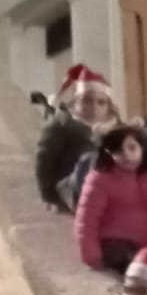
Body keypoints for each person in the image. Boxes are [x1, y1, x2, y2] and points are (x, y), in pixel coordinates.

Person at [74, 125, 147, 273]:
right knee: (139, 269)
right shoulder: (101, 180)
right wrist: (92, 255)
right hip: (115, 245)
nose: (127, 156)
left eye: (132, 148)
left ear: (142, 147)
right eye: (118, 151)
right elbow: (87, 220)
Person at [37, 64, 122, 211]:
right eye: (87, 101)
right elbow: (45, 162)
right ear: (76, 101)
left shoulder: (116, 128)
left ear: (109, 106)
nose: (94, 108)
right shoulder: (63, 124)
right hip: (73, 194)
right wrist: (50, 197)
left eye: (101, 103)